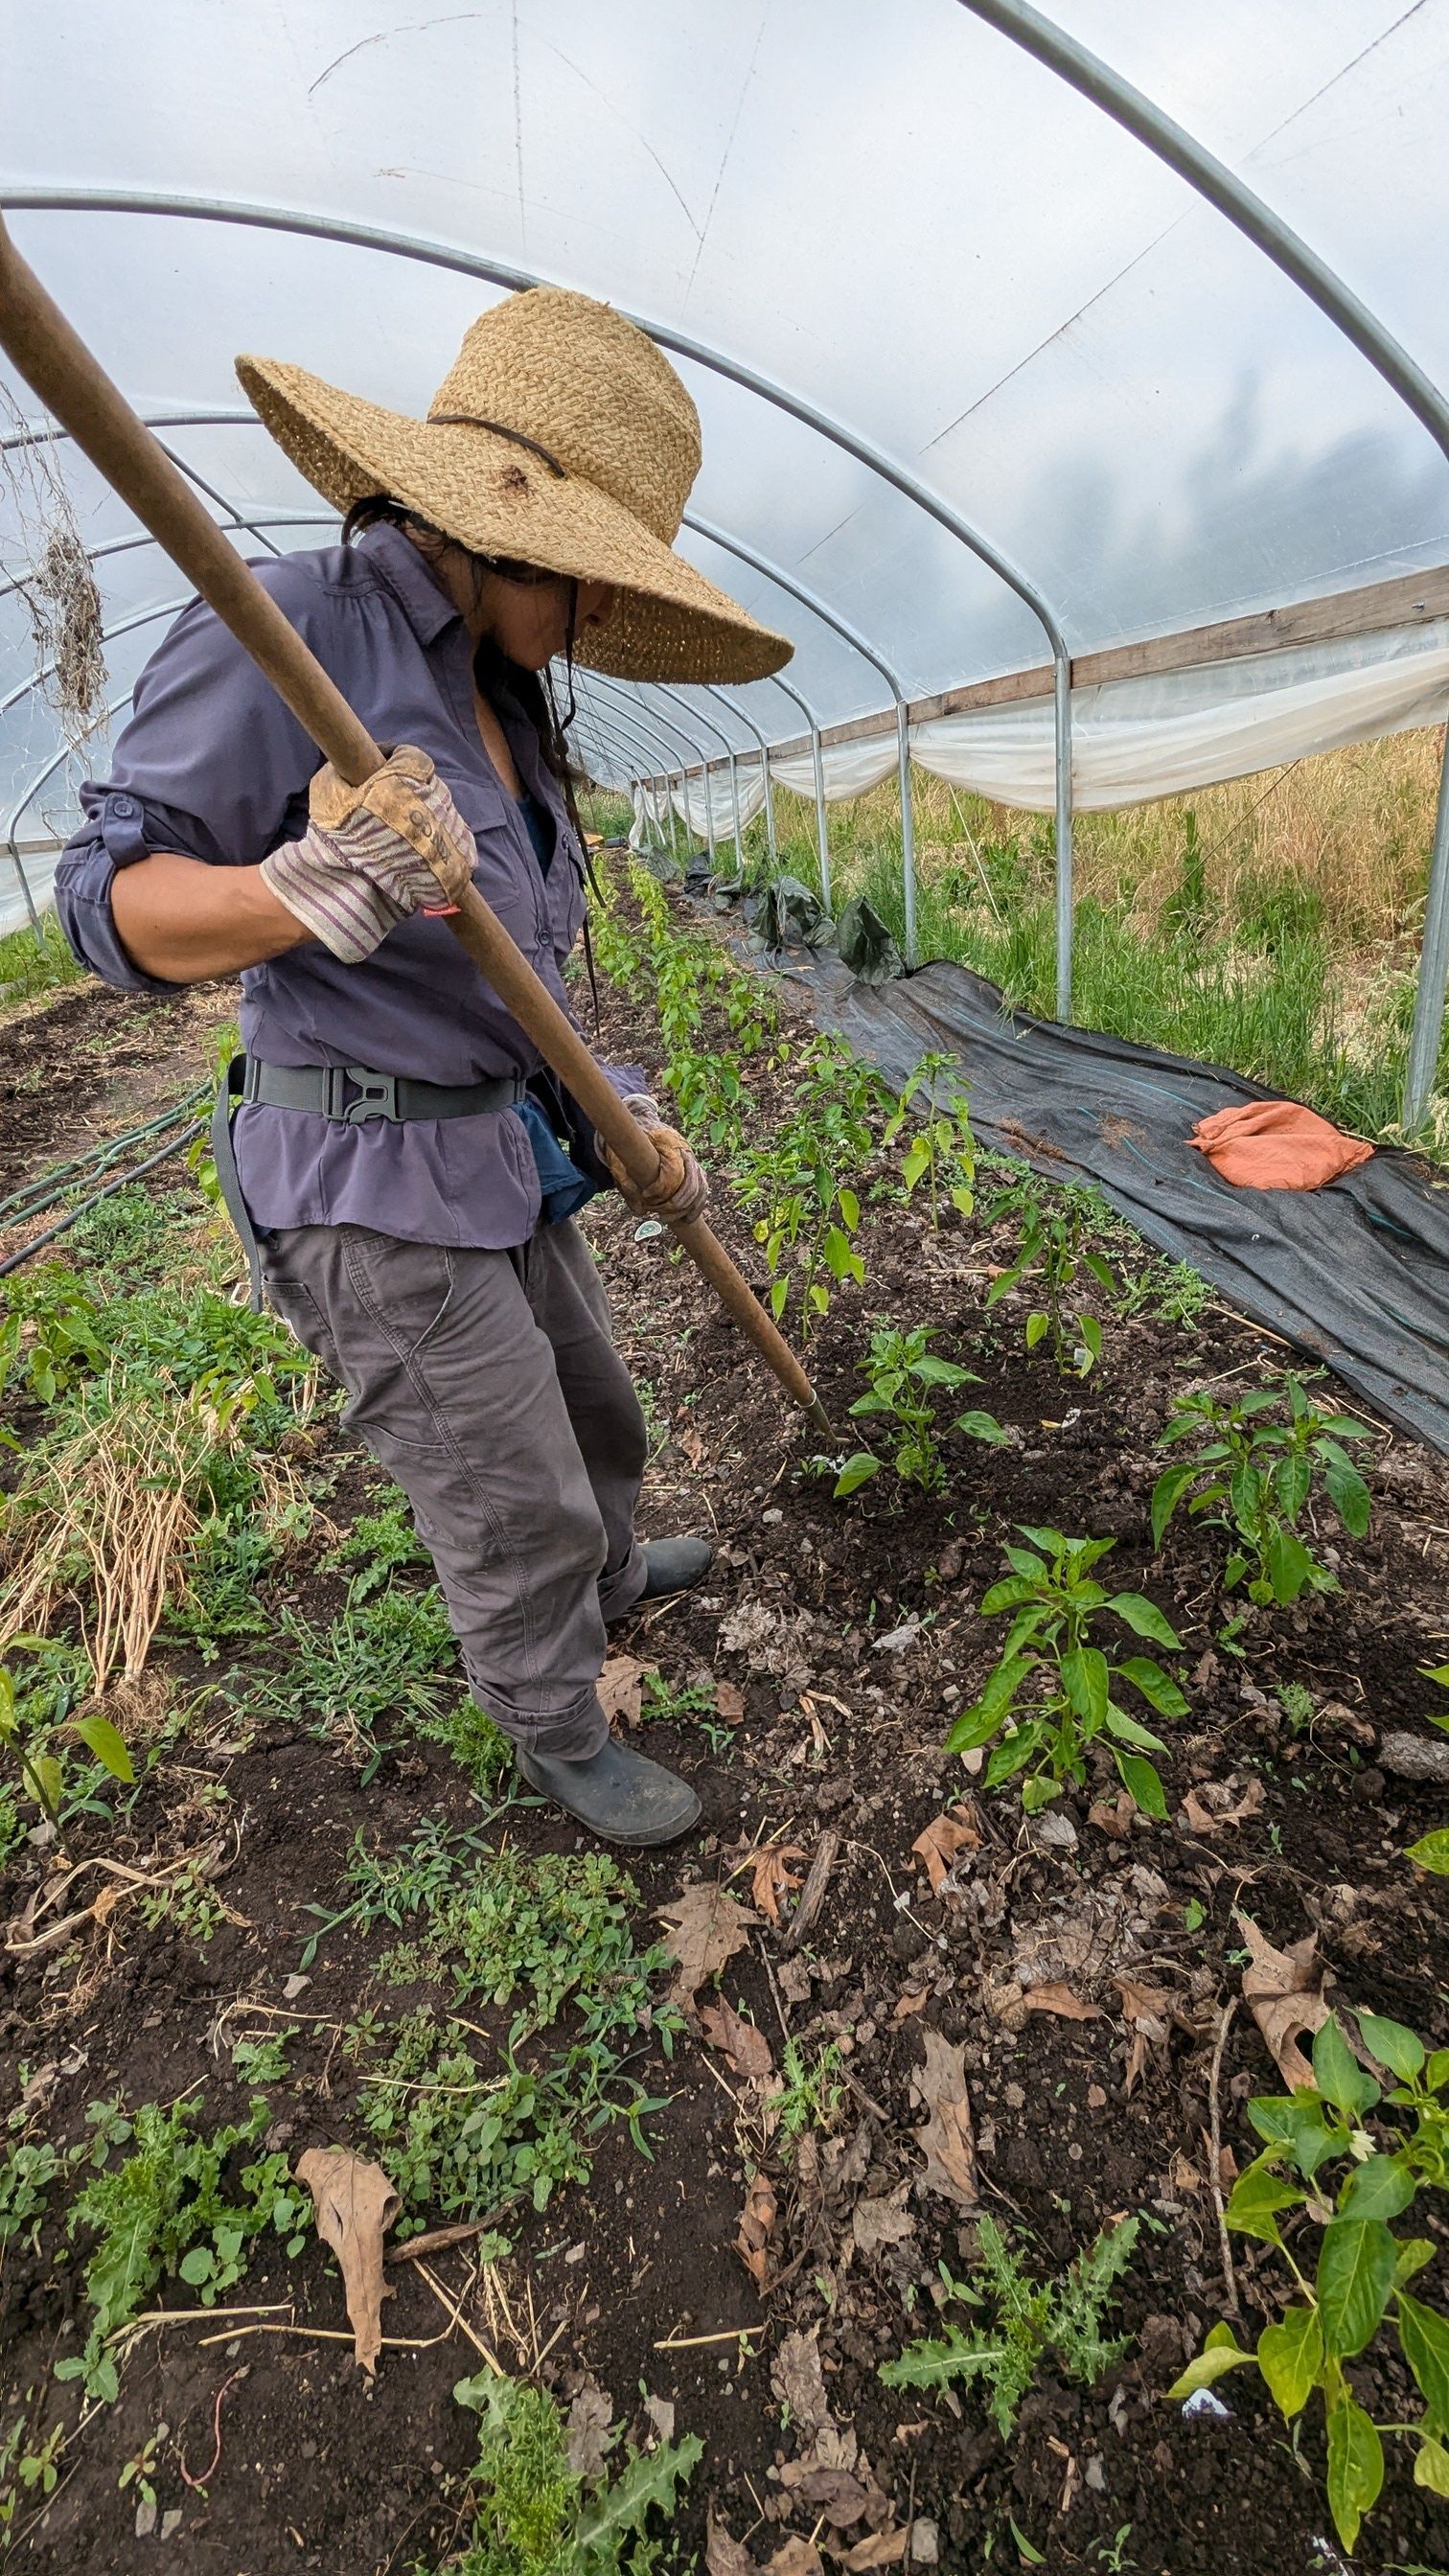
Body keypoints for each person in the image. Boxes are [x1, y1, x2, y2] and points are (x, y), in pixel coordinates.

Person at [55, 286, 792, 1845]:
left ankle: (610, 1568)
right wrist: (289, 894)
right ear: (491, 524)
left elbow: (504, 977)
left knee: (598, 1414)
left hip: (496, 1147)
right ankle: (552, 1715)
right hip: (369, 1177)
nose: (591, 614)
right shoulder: (296, 629)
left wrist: (617, 1118)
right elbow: (106, 906)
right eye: (583, 578)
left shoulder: (506, 691)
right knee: (504, 1485)